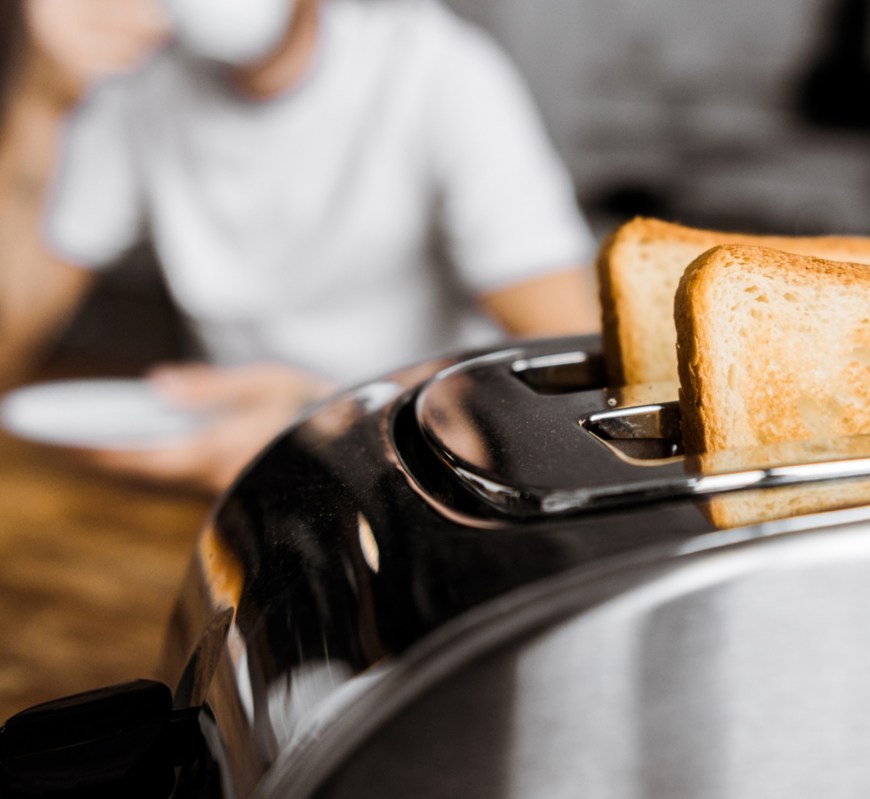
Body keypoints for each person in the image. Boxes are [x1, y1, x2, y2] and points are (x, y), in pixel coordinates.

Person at [0, 0, 599, 492]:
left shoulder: (437, 69)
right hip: (231, 495)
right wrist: (42, 96)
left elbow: (575, 357)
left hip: (418, 489)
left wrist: (332, 416)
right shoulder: (133, 86)